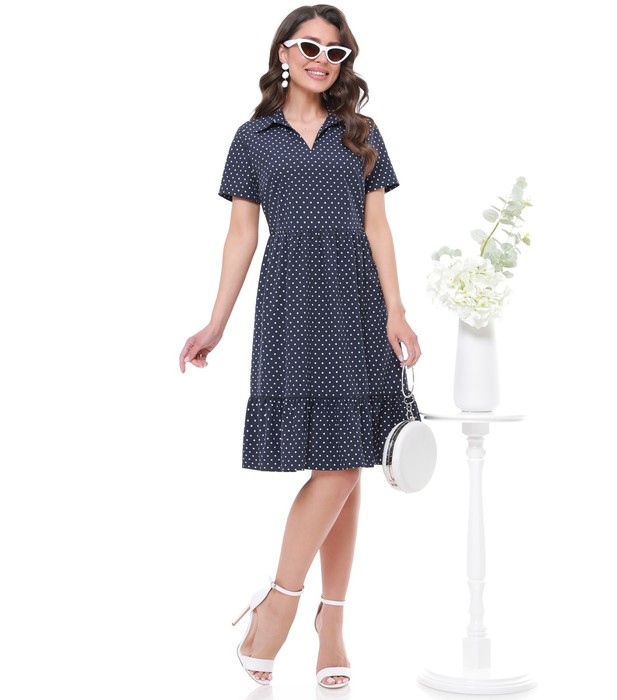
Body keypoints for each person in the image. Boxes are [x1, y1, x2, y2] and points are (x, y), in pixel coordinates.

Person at [178, 3, 421, 690]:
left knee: (347, 463)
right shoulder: (252, 138)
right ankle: (295, 610)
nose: (322, 60)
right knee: (337, 466)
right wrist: (216, 322)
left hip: (358, 300)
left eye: (335, 52)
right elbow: (241, 236)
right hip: (290, 302)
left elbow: (378, 227)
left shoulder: (362, 132)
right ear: (284, 51)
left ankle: (311, 618)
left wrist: (397, 310)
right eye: (309, 46)